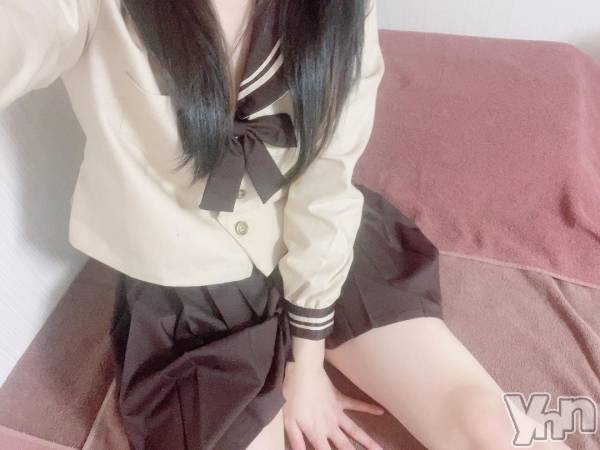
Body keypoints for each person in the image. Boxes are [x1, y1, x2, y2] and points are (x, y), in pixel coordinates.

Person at [0, 1, 572, 449]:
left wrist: (308, 367)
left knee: (486, 422)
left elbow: (327, 182)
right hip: (188, 293)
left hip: (324, 246)